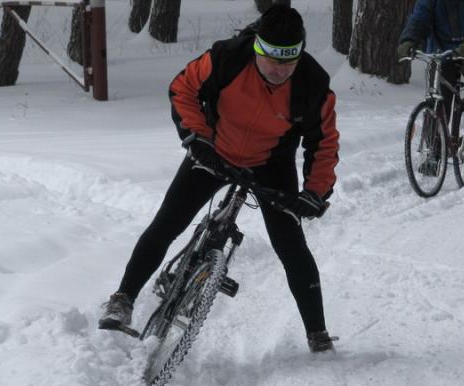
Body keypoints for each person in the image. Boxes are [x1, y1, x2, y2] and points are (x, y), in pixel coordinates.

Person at [98, 5, 340, 353]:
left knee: (290, 244)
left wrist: (313, 193)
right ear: (257, 47)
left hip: (270, 162)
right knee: (168, 223)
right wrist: (197, 138)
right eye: (271, 59)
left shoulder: (313, 85)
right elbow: (183, 89)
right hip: (214, 150)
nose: (278, 70)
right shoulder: (227, 57)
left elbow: (324, 143)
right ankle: (122, 300)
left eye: (288, 62)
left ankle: (317, 334)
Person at [397, 0, 464, 139]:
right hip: (442, 46)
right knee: (438, 96)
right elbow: (420, 16)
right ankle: (433, 148)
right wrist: (409, 39)